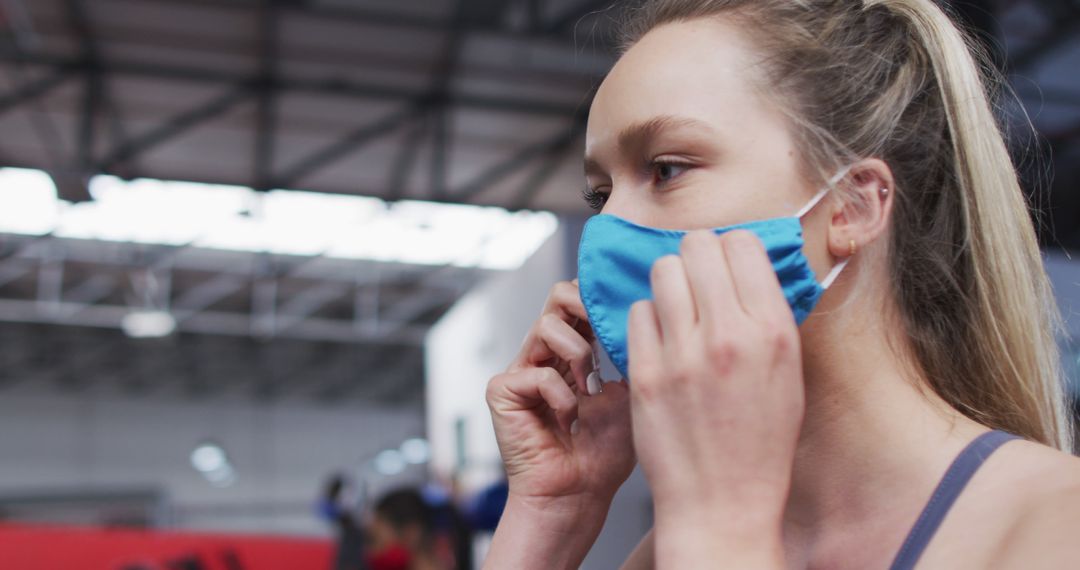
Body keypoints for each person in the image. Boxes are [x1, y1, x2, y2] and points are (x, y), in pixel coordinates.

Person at [482, 0, 1080, 568]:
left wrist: (720, 530)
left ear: (850, 206)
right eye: (600, 194)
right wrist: (547, 519)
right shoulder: (673, 544)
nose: (606, 230)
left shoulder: (1054, 522)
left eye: (666, 170)